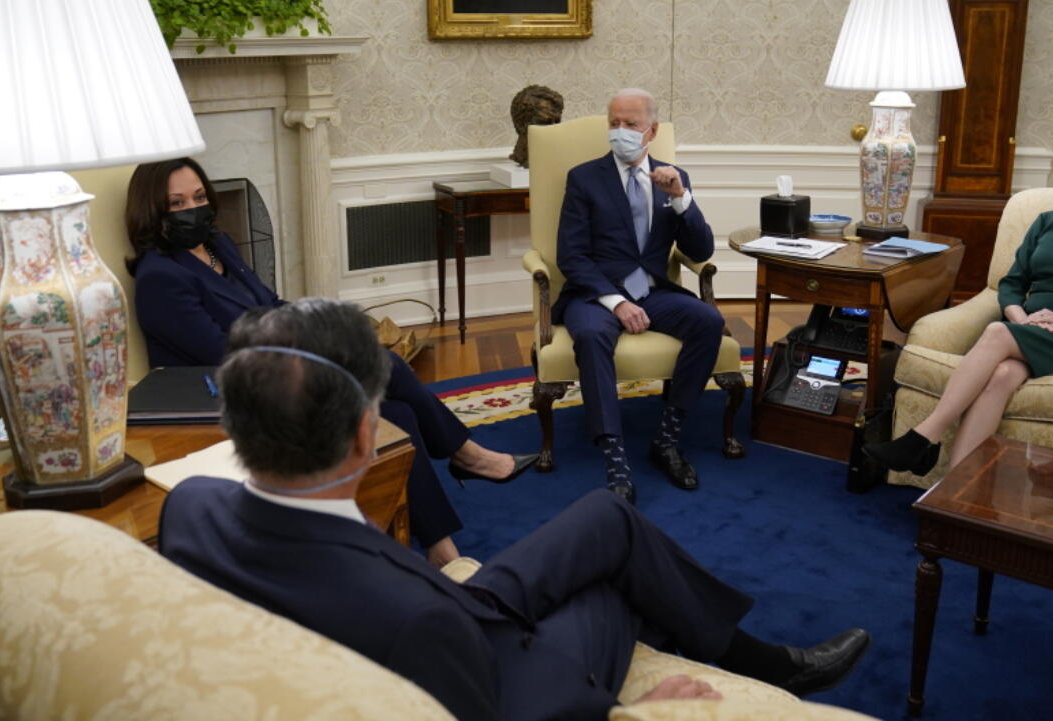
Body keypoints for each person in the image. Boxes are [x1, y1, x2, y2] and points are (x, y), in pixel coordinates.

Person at [158, 298, 872, 721]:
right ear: (364, 436)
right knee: (617, 582)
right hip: (485, 656)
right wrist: (627, 711)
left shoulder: (190, 506)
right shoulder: (413, 622)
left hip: (450, 608)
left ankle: (756, 654)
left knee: (607, 517)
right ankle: (771, 666)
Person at [125, 157, 537, 567]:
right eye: (176, 204)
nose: (192, 209)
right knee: (383, 364)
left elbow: (270, 304)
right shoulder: (160, 277)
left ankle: (440, 547)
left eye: (198, 197)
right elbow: (224, 352)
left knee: (396, 414)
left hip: (274, 363)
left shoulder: (219, 247)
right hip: (236, 394)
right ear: (153, 212)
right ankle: (467, 456)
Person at [865, 128, 1053, 476]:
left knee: (997, 333)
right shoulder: (1048, 222)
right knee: (1002, 374)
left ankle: (925, 435)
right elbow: (1012, 284)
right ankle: (957, 489)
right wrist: (1022, 321)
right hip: (1031, 331)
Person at [555, 88, 725, 502]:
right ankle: (614, 454)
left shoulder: (672, 177)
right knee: (594, 337)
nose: (620, 131)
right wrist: (616, 302)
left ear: (652, 130)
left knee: (710, 321)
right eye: (613, 123)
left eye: (630, 124)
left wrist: (681, 199)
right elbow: (570, 255)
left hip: (652, 290)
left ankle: (666, 438)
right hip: (594, 295)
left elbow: (700, 251)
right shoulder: (584, 177)